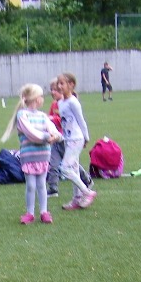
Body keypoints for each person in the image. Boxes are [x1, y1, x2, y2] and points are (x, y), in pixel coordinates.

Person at [1, 83, 62, 225]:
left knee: (42, 184)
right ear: (34, 98)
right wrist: (47, 137)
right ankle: (30, 213)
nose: (43, 98)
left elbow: (53, 129)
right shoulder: (22, 115)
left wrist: (56, 136)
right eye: (41, 96)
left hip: (43, 155)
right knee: (30, 185)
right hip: (29, 157)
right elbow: (31, 133)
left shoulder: (43, 116)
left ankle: (44, 212)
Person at [57, 72, 97, 210]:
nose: (59, 86)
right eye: (58, 83)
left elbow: (81, 120)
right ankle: (77, 199)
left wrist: (86, 137)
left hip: (76, 138)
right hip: (68, 139)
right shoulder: (61, 102)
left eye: (62, 83)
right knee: (73, 169)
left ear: (71, 85)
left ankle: (87, 192)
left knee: (64, 168)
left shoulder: (73, 102)